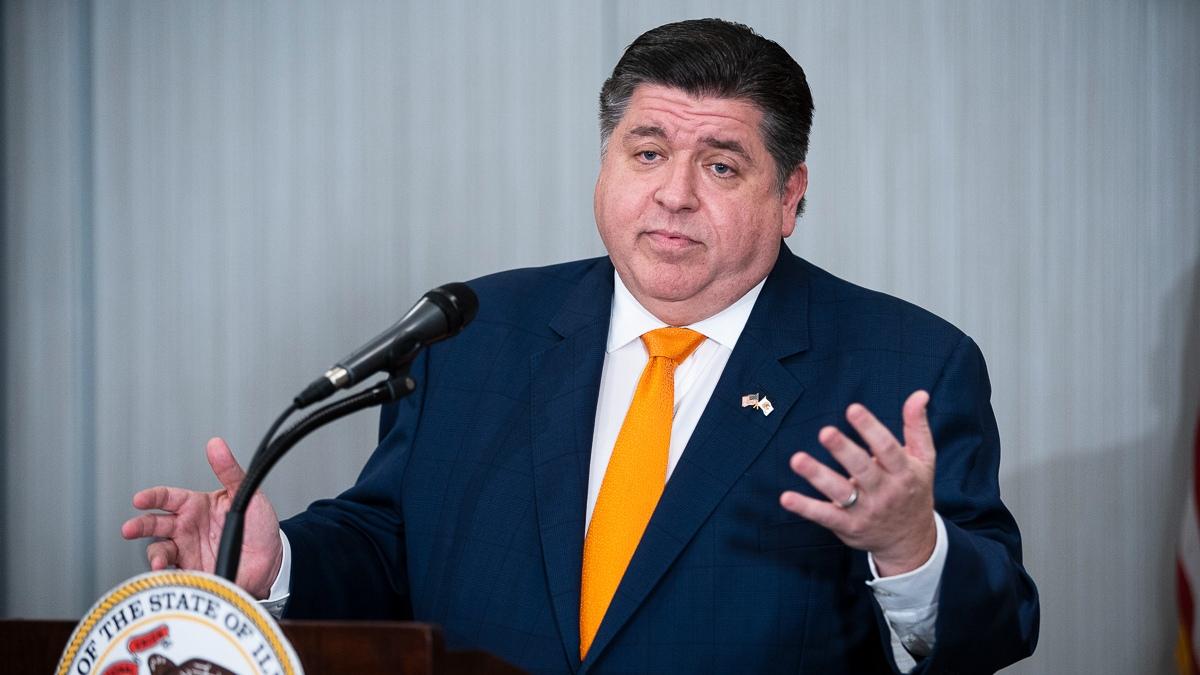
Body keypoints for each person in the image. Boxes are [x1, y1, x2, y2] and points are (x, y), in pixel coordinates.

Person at [122, 18, 1039, 674]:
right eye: (646, 153)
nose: (674, 193)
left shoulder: (906, 365)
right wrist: (271, 565)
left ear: (791, 195)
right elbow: (392, 542)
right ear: (604, 167)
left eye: (720, 164)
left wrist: (911, 545)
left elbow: (997, 627)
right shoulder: (475, 331)